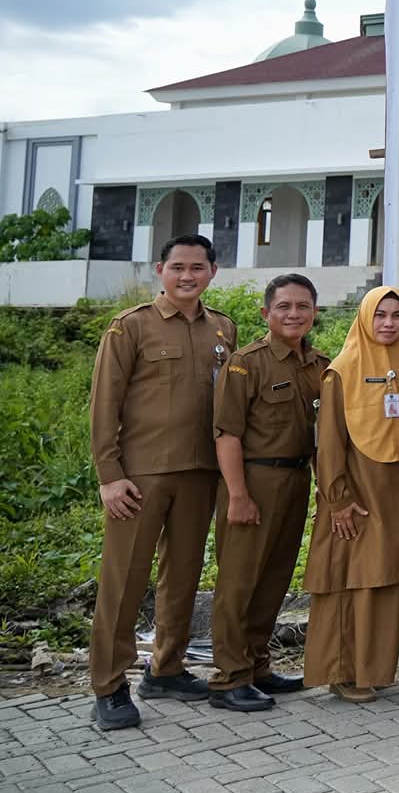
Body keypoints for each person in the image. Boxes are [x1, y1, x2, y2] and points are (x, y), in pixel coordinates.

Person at [86, 233, 238, 731]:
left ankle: (166, 669)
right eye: (178, 267)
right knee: (124, 579)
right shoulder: (131, 327)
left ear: (212, 272)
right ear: (160, 271)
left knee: (183, 576)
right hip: (141, 476)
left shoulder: (223, 329)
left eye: (197, 267)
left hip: (200, 473)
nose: (187, 276)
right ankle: (108, 686)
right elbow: (104, 404)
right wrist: (110, 476)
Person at [207, 274, 325, 712]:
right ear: (266, 313)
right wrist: (238, 495)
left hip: (295, 481)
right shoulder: (246, 363)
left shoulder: (320, 366)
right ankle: (229, 678)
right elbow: (227, 433)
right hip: (254, 481)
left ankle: (257, 666)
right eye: (284, 307)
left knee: (274, 579)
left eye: (302, 306)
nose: (294, 314)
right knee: (239, 583)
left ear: (315, 312)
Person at [303, 287, 399, 704]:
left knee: (389, 577)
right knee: (354, 580)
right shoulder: (343, 370)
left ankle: (376, 669)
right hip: (359, 491)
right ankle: (344, 672)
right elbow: (329, 442)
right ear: (365, 318)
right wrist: (336, 498)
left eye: (397, 315)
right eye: (380, 315)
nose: (388, 323)